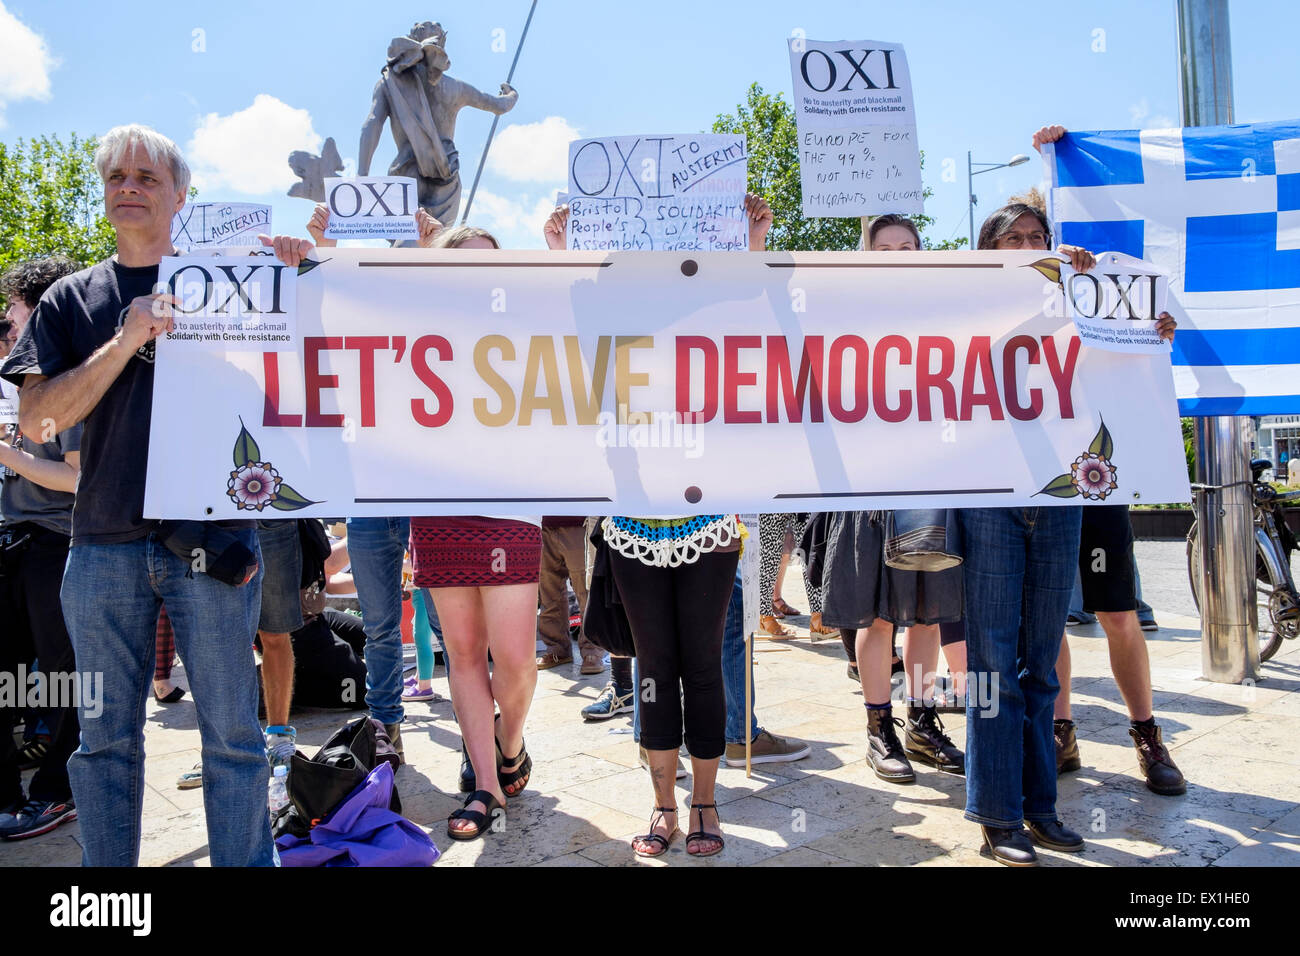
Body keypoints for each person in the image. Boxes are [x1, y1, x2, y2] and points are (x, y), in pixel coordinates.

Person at [0, 125, 281, 866]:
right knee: (102, 745)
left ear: (181, 195)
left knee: (232, 737)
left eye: (147, 177)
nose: (128, 186)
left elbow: (303, 374)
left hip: (214, 543)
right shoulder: (70, 298)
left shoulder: (237, 284)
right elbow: (42, 420)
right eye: (117, 175)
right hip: (99, 546)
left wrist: (297, 275)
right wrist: (125, 339)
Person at [404, 225, 542, 841]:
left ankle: (509, 744)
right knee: (463, 651)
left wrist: (562, 252)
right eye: (463, 263)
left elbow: (592, 320)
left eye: (490, 262)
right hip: (438, 503)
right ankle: (487, 784)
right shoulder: (415, 332)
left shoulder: (527, 326)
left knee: (514, 659)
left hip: (513, 505)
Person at [818, 215, 966, 784]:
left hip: (933, 481)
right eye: (885, 248)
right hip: (871, 484)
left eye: (909, 246)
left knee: (928, 615)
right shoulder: (848, 316)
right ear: (867, 255)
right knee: (878, 616)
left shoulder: (946, 314)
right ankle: (879, 731)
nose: (899, 254)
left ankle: (922, 724)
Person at [305, 201, 442, 760]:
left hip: (432, 495)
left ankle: (484, 740)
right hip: (370, 499)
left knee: (452, 619)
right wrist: (324, 248)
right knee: (383, 623)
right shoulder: (349, 338)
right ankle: (386, 727)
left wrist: (433, 254)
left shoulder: (431, 330)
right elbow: (320, 310)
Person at [0, 255, 82, 840]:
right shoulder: (23, 378)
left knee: (69, 680)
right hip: (15, 541)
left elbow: (77, 479)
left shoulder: (70, 375)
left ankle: (56, 792)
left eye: (16, 313)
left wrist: (3, 451)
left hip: (55, 544)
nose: (8, 325)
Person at [1055, 506, 1186, 794]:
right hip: (1040, 492)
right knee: (1050, 615)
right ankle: (1061, 733)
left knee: (1118, 614)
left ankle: (1146, 732)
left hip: (1098, 487)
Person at [358, 20, 518, 225]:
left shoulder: (389, 83)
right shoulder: (456, 88)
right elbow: (499, 105)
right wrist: (512, 95)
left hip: (408, 176)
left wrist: (362, 175)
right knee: (438, 245)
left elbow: (372, 123)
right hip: (445, 178)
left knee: (406, 247)